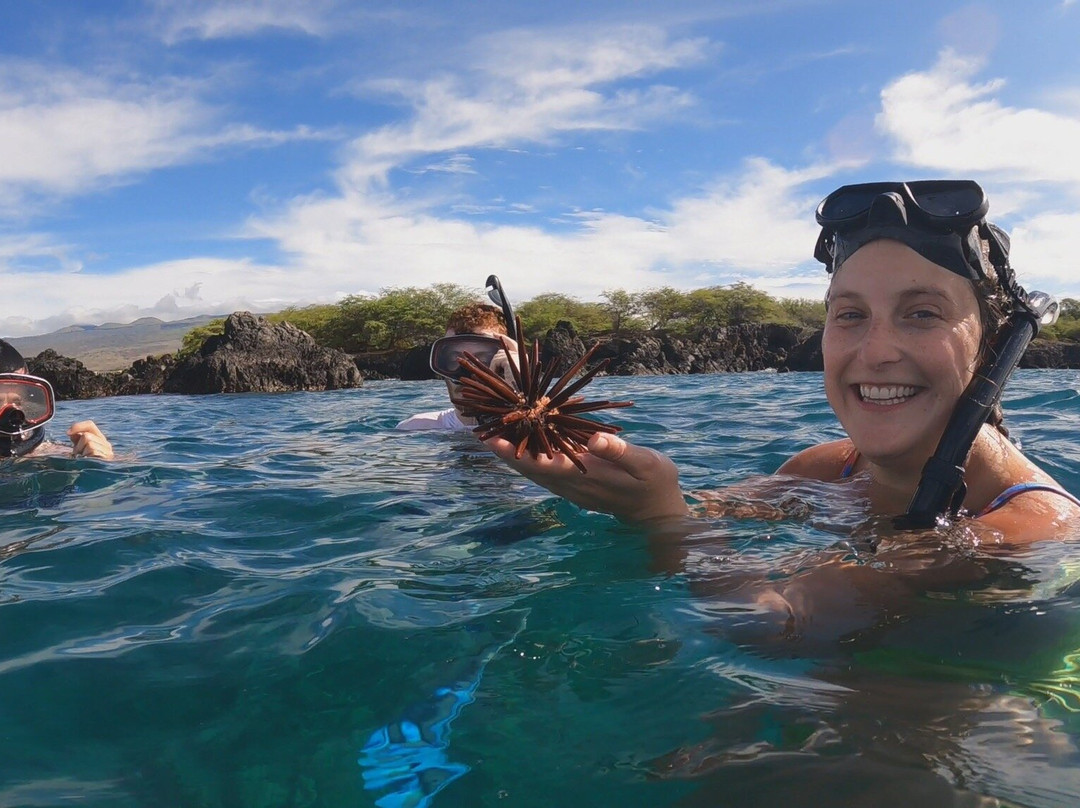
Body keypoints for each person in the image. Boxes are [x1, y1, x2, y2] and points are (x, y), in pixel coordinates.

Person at [483, 180, 1080, 545]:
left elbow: (780, 629)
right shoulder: (827, 470)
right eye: (849, 315)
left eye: (922, 313)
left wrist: (659, 519)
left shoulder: (1031, 528)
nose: (875, 351)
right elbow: (702, 505)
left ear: (992, 345)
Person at [395, 302, 518, 432]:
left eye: (483, 361)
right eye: (455, 360)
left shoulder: (533, 431)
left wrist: (520, 388)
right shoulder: (415, 429)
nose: (467, 374)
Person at [0, 339, 114, 459]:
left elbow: (127, 466)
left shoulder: (49, 453)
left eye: (17, 402)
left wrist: (102, 457)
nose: (12, 415)